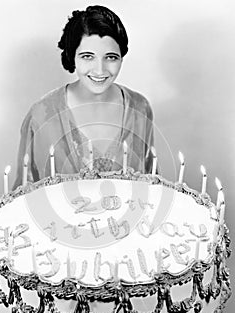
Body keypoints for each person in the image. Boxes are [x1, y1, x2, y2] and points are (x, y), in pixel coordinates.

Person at [13, 5, 155, 190]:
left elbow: (152, 185)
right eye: (88, 56)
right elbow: (24, 193)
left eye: (111, 57)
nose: (100, 70)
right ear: (72, 56)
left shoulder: (139, 108)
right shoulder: (42, 115)